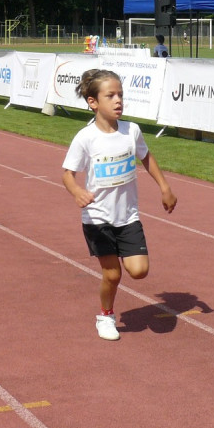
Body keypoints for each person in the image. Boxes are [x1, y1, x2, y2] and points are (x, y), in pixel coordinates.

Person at [61, 69, 177, 341]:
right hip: (98, 218)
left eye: (120, 95)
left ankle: (107, 310)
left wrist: (165, 187)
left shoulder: (131, 130)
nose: (118, 101)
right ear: (93, 102)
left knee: (139, 271)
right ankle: (105, 315)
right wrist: (77, 191)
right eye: (110, 96)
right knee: (112, 274)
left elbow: (146, 157)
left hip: (128, 216)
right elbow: (68, 174)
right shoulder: (85, 138)